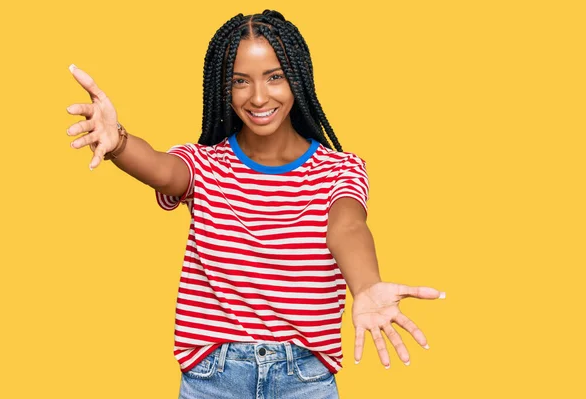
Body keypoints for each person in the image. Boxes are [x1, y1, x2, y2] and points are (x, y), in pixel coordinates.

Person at [66, 9, 445, 399]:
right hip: (214, 378)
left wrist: (365, 285)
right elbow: (162, 170)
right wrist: (119, 142)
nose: (259, 96)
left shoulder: (339, 170)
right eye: (240, 82)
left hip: (306, 380)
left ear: (298, 78)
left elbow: (346, 226)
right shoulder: (205, 165)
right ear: (222, 89)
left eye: (275, 77)